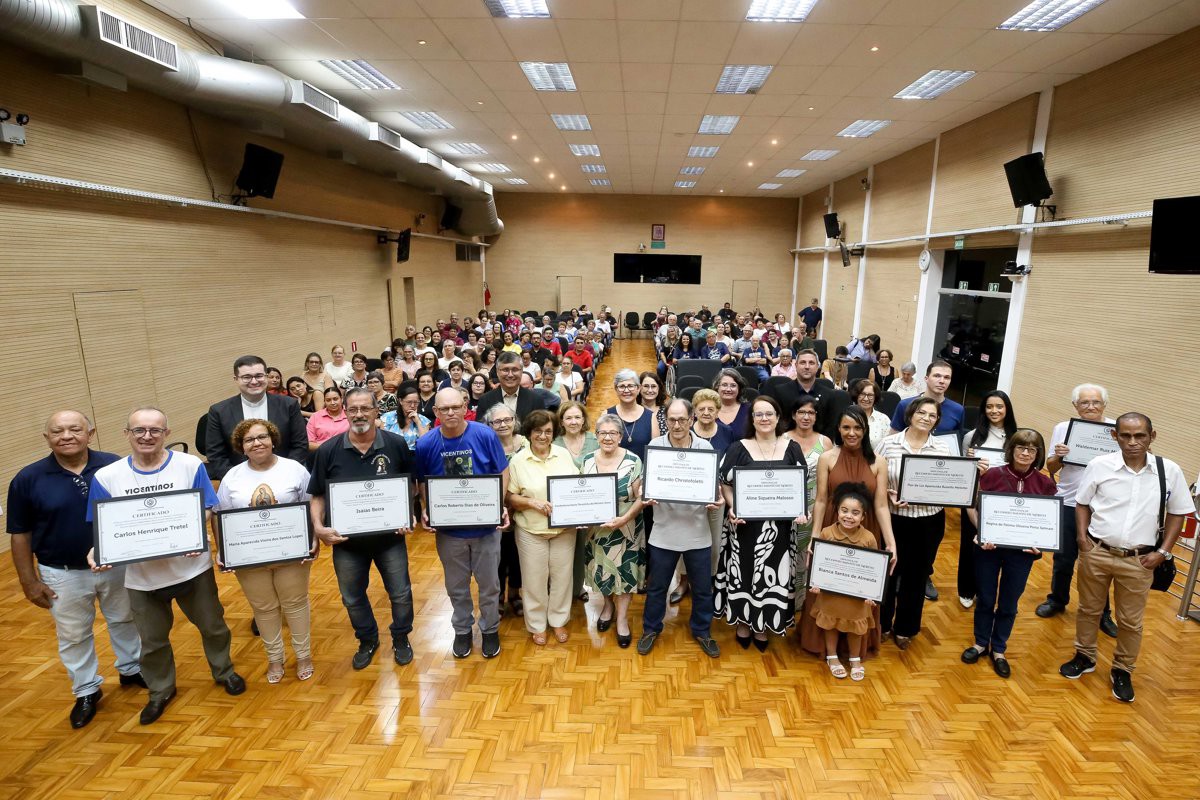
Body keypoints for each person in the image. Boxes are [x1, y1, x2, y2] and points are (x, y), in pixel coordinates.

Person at [86, 407, 242, 725]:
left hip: (192, 569)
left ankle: (224, 671)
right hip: (141, 578)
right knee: (152, 641)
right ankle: (160, 690)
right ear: (127, 434)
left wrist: (194, 530)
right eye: (139, 430)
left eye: (155, 430)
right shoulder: (107, 477)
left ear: (166, 434)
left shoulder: (189, 465)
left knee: (213, 627)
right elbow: (103, 526)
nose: (147, 436)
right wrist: (98, 551)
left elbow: (208, 507)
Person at [6, 410, 143, 729]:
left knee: (125, 619)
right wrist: (29, 581)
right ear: (47, 438)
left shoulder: (114, 466)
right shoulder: (28, 479)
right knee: (73, 635)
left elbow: (135, 511)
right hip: (62, 573)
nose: (66, 436)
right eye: (57, 431)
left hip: (116, 565)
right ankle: (86, 690)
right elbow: (20, 534)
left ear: (90, 433)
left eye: (74, 429)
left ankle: (132, 669)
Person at [1059, 413, 1191, 703]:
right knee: (1088, 610)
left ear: (1152, 436)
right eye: (1126, 436)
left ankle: (1122, 670)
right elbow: (1081, 503)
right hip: (1097, 552)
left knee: (1130, 621)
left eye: (1140, 436)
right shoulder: (1099, 465)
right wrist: (1082, 540)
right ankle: (1085, 656)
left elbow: (1178, 512)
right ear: (1114, 436)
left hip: (1139, 560)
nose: (1133, 442)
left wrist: (1163, 552)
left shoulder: (1169, 470)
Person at [308, 388, 417, 671]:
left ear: (376, 411)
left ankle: (401, 637)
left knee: (401, 593)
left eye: (365, 408)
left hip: (390, 538)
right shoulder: (328, 450)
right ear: (345, 411)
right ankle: (367, 639)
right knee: (352, 597)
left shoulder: (395, 444)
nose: (359, 414)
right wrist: (318, 527)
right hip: (347, 542)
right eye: (353, 409)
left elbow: (410, 485)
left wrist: (407, 513)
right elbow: (317, 493)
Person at [214, 420, 316, 683]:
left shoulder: (295, 469)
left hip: (291, 551)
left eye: (262, 437)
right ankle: (275, 659)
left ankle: (303, 656)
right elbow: (219, 514)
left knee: (295, 604)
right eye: (249, 440)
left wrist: (314, 537)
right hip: (249, 556)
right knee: (263, 607)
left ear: (273, 440)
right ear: (241, 446)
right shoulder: (232, 476)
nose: (257, 443)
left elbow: (311, 505)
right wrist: (222, 550)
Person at [415, 388, 510, 659]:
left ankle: (490, 629)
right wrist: (426, 508)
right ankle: (462, 629)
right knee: (456, 586)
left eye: (456, 407)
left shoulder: (485, 434)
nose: (451, 413)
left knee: (489, 584)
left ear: (465, 407)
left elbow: (503, 470)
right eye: (444, 409)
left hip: (485, 528)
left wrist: (498, 504)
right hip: (449, 531)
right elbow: (422, 481)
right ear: (435, 412)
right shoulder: (426, 443)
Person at [801, 404, 897, 660]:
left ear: (865, 430)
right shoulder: (827, 458)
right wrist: (815, 536)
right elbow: (821, 500)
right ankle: (826, 647)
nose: (851, 433)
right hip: (832, 529)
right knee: (829, 588)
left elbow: (880, 505)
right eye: (846, 427)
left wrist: (891, 542)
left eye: (857, 427)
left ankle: (853, 649)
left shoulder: (879, 461)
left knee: (859, 590)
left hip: (866, 531)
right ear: (838, 429)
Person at [960, 429, 1056, 679]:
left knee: (1009, 602)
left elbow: (1048, 522)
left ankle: (999, 649)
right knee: (985, 597)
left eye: (1032, 449)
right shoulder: (992, 475)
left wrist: (1041, 544)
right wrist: (981, 531)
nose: (1025, 453)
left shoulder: (1045, 484)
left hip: (1022, 554)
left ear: (1038, 454)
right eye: (1021, 447)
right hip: (988, 549)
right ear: (1011, 449)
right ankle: (980, 643)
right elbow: (972, 506)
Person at [716, 396, 808, 650]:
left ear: (778, 418)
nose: (764, 418)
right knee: (744, 574)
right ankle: (743, 623)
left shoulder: (792, 447)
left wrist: (801, 511)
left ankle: (763, 626)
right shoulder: (738, 447)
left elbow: (798, 486)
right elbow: (725, 483)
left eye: (769, 413)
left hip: (780, 530)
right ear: (752, 419)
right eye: (758, 414)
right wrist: (733, 506)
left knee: (773, 577)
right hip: (744, 526)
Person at [637, 400, 722, 658]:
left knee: (702, 588)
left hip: (697, 531)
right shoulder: (656, 446)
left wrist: (716, 498)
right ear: (665, 421)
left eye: (682, 419)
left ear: (691, 419)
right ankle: (651, 629)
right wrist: (644, 492)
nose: (677, 425)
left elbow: (713, 487)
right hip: (664, 530)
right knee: (657, 587)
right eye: (672, 420)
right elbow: (645, 483)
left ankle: (702, 630)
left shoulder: (704, 448)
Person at [1037, 384, 1118, 636]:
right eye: (1084, 402)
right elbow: (1051, 467)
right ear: (1075, 406)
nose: (1090, 407)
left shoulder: (1116, 429)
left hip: (1104, 507)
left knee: (1100, 563)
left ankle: (1103, 613)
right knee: (1063, 559)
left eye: (1096, 402)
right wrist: (1059, 456)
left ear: (1104, 404)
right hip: (1069, 502)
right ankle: (1057, 600)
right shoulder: (1063, 428)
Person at [877, 397, 949, 649]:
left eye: (932, 415)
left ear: (937, 421)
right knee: (888, 571)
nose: (926, 418)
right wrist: (887, 493)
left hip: (929, 521)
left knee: (917, 576)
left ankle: (905, 627)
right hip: (894, 519)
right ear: (910, 415)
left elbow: (951, 485)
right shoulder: (888, 444)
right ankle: (882, 624)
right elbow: (874, 477)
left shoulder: (943, 448)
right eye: (921, 412)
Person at [505, 410, 579, 645]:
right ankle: (537, 624)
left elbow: (577, 487)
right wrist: (531, 503)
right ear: (529, 433)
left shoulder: (563, 455)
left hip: (563, 530)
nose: (543, 436)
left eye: (548, 431)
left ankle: (558, 620)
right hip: (531, 530)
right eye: (538, 431)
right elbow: (510, 497)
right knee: (534, 580)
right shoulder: (518, 461)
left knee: (562, 578)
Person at [584, 414, 647, 649]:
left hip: (626, 528)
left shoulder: (633, 460)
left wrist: (625, 518)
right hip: (597, 531)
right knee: (602, 571)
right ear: (597, 436)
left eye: (613, 433)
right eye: (603, 433)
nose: (608, 437)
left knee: (624, 575)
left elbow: (641, 497)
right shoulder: (587, 461)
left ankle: (621, 619)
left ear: (620, 436)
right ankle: (607, 605)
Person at [809, 483, 879, 680]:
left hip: (857, 596)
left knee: (856, 627)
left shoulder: (869, 538)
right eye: (844, 510)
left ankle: (855, 659)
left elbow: (874, 569)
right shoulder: (826, 533)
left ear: (863, 517)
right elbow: (819, 563)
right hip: (830, 593)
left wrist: (871, 594)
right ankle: (832, 656)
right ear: (837, 511)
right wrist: (816, 583)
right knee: (830, 623)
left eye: (855, 513)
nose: (849, 516)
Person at [958, 391, 1018, 609]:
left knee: (996, 549)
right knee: (970, 545)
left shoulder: (1016, 437)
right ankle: (966, 589)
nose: (994, 411)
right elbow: (964, 472)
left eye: (999, 406)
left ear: (1007, 409)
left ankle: (987, 592)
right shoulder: (971, 437)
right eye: (989, 406)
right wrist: (972, 466)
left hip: (1004, 501)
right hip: (975, 498)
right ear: (983, 410)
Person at [204, 355, 308, 480]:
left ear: (266, 376)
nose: (254, 381)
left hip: (285, 477)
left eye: (259, 376)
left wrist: (284, 474)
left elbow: (300, 445)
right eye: (246, 377)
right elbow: (215, 454)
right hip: (239, 481)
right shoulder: (219, 411)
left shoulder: (288, 405)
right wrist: (237, 479)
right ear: (236, 379)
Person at [784, 395, 834, 601]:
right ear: (793, 415)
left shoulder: (825, 442)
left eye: (811, 413)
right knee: (786, 552)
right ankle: (786, 601)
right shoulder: (782, 439)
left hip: (816, 505)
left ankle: (805, 602)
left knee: (808, 553)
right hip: (785, 506)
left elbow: (830, 478)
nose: (806, 417)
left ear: (816, 416)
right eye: (801, 412)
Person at [484, 404, 526, 618]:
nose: (503, 424)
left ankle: (515, 594)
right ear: (489, 425)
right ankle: (499, 596)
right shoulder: (486, 445)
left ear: (514, 421)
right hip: (496, 510)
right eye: (497, 421)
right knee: (498, 556)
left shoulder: (526, 444)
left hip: (523, 509)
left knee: (518, 555)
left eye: (507, 420)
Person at [888, 360, 964, 435]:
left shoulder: (957, 410)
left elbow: (957, 439)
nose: (942, 381)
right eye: (937, 376)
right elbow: (893, 437)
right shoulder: (905, 405)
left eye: (947, 377)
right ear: (926, 379)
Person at [476, 351, 547, 422]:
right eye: (505, 370)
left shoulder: (536, 400)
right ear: (497, 372)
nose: (510, 375)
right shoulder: (485, 400)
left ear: (522, 371)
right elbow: (481, 427)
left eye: (515, 370)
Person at [606, 368, 654, 462]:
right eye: (621, 386)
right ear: (616, 389)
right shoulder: (607, 415)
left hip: (643, 470)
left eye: (631, 386)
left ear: (638, 388)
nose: (626, 390)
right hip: (615, 469)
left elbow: (654, 452)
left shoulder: (652, 417)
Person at [849, 378, 891, 450]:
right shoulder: (846, 416)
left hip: (876, 457)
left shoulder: (884, 419)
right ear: (857, 395)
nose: (866, 399)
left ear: (875, 397)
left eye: (870, 395)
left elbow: (889, 447)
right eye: (862, 394)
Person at [713, 369, 750, 434]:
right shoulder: (708, 409)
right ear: (717, 387)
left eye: (733, 385)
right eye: (724, 385)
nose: (728, 389)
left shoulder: (749, 410)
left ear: (739, 388)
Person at [639, 371, 669, 438]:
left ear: (658, 388)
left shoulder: (667, 411)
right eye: (646, 386)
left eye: (653, 386)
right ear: (639, 388)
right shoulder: (633, 410)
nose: (650, 390)